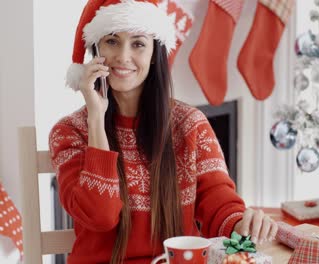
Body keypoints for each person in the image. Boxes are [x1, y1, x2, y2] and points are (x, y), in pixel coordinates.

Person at [48, 0, 278, 263]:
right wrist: (96, 118)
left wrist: (243, 225)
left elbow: (218, 201)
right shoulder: (69, 132)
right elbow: (100, 216)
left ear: (154, 54)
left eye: (138, 44)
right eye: (112, 41)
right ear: (96, 49)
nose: (123, 56)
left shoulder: (190, 124)